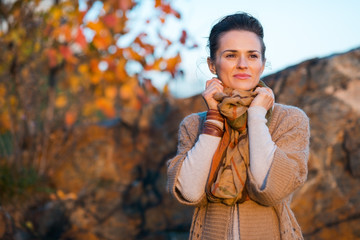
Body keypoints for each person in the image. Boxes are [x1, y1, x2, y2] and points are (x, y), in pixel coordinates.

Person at [167, 12, 310, 240]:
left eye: (252, 56)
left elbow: (271, 190)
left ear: (262, 64)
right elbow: (190, 193)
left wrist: (255, 116)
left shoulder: (290, 120)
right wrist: (213, 120)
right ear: (212, 65)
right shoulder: (194, 124)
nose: (243, 65)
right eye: (231, 55)